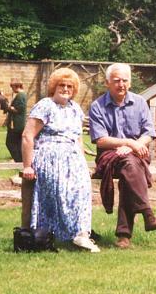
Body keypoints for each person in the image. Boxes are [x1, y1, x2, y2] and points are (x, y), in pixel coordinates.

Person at [21, 68, 99, 252]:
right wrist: (27, 166)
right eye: (61, 85)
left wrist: (82, 163)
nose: (65, 89)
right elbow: (27, 136)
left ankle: (81, 233)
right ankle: (47, 235)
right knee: (60, 188)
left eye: (69, 86)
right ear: (53, 87)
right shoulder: (45, 105)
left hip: (73, 157)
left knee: (82, 188)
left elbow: (78, 139)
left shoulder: (75, 109)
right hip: (49, 156)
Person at [88, 63, 156, 250]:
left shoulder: (140, 102)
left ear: (130, 83)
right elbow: (100, 140)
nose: (121, 84)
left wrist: (134, 145)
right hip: (109, 157)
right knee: (130, 165)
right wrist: (128, 143)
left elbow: (149, 133)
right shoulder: (97, 106)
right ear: (107, 83)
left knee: (130, 166)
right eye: (116, 80)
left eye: (125, 80)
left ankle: (124, 236)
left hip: (136, 153)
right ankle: (147, 214)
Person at [5, 79, 27, 162]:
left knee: (10, 143)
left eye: (12, 87)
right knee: (18, 143)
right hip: (17, 124)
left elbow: (20, 109)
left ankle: (18, 160)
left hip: (17, 124)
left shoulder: (21, 95)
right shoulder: (21, 95)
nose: (12, 89)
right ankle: (20, 160)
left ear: (16, 86)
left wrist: (9, 107)